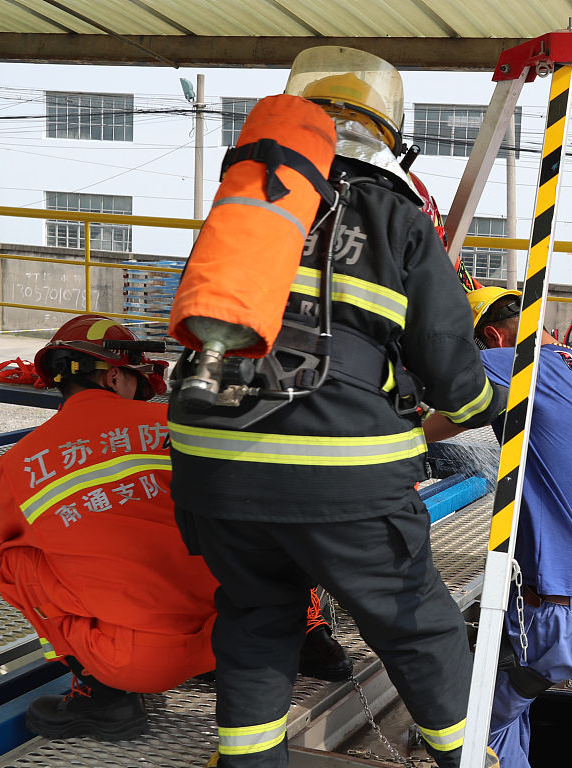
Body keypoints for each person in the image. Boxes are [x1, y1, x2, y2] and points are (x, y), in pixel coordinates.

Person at [169, 47, 503, 768]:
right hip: (339, 472)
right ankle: (470, 760)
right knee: (417, 627)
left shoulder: (248, 207)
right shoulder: (395, 215)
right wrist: (491, 403)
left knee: (258, 616)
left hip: (210, 466)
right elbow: (448, 365)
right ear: (388, 135)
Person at [0, 315, 352, 742]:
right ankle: (311, 634)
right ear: (114, 377)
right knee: (260, 512)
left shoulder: (16, 466)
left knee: (10, 556)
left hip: (139, 664)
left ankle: (101, 694)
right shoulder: (187, 427)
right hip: (245, 632)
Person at [424, 287, 572, 768]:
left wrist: (396, 441)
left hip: (557, 618)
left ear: (492, 338)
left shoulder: (517, 364)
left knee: (468, 735)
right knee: (507, 723)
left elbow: (447, 402)